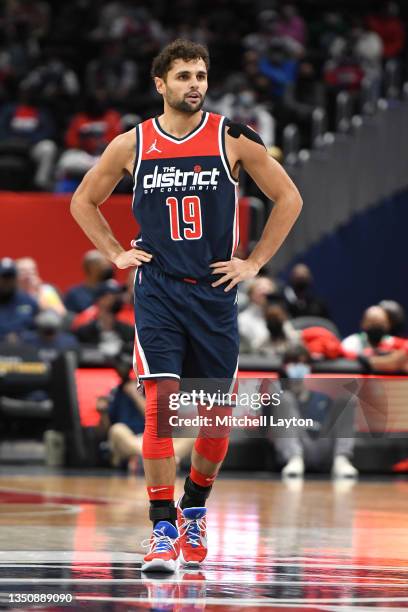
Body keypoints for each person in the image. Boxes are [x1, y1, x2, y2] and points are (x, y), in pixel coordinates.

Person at [70, 39, 302, 573]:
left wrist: (255, 261)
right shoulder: (133, 144)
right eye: (183, 76)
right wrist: (113, 252)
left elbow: (289, 198)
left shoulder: (233, 138)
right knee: (162, 406)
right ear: (161, 85)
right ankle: (161, 528)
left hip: (215, 294)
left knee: (214, 417)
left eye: (200, 75)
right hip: (159, 290)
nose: (194, 84)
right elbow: (84, 199)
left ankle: (193, 507)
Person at [269, 345, 358, 479]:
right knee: (284, 398)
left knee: (346, 401)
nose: (299, 367)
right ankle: (294, 459)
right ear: (285, 367)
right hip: (294, 451)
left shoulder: (322, 398)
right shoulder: (277, 398)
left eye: (303, 363)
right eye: (294, 363)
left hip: (321, 446)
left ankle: (342, 460)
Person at [75, 280, 134, 358]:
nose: (116, 298)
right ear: (99, 299)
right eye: (110, 295)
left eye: (117, 295)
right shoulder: (84, 333)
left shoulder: (129, 332)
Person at [341, 305, 408, 372]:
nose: (377, 327)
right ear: (363, 323)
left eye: (381, 324)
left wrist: (370, 361)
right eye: (373, 323)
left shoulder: (394, 342)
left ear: (388, 325)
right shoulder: (351, 343)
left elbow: (398, 361)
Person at [0, 257, 38, 342]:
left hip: (24, 349)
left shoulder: (29, 301)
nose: (7, 281)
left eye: (11, 277)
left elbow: (37, 330)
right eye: (4, 277)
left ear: (16, 278)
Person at [64, 250, 114, 314]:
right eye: (102, 265)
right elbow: (70, 319)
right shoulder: (74, 294)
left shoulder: (112, 291)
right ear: (90, 267)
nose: (107, 268)